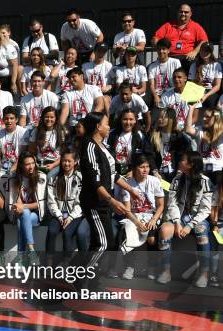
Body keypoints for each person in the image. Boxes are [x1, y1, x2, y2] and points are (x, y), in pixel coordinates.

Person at [78, 112, 138, 268]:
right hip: (94, 202)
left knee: (104, 243)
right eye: (106, 123)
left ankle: (93, 284)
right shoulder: (89, 146)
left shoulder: (105, 147)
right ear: (98, 126)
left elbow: (113, 174)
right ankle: (76, 278)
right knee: (102, 245)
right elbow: (94, 181)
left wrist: (131, 190)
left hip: (104, 201)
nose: (109, 126)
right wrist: (112, 201)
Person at [157, 151, 213, 286]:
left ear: (191, 164)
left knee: (201, 231)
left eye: (183, 160)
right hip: (179, 218)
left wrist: (189, 225)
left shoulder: (205, 181)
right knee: (164, 230)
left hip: (197, 219)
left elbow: (205, 209)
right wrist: (177, 222)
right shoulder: (177, 179)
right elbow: (172, 203)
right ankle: (166, 271)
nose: (180, 162)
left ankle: (204, 274)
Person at [118, 153, 165, 280]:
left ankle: (151, 267)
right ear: (134, 168)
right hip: (133, 216)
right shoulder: (128, 183)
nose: (145, 170)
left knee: (152, 239)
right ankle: (129, 267)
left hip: (152, 215)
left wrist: (154, 219)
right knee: (128, 233)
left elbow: (161, 205)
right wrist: (137, 223)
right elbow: (127, 210)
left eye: (147, 167)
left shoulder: (154, 181)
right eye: (142, 167)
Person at [46, 147, 89, 260]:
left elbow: (80, 203)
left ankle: (66, 263)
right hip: (58, 214)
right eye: (64, 160)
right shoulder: (53, 178)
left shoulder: (80, 178)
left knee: (67, 233)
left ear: (75, 162)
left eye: (69, 161)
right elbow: (51, 201)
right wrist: (59, 216)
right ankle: (49, 263)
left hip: (75, 215)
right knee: (51, 231)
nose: (66, 163)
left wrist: (70, 217)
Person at [9, 151, 47, 266]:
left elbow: (39, 204)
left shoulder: (41, 177)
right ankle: (31, 250)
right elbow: (15, 203)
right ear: (21, 166)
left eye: (32, 163)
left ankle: (21, 256)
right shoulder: (15, 179)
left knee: (24, 217)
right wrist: (19, 205)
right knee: (24, 214)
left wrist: (23, 206)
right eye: (27, 164)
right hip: (22, 214)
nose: (31, 166)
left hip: (36, 215)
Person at [152, 3, 208, 70]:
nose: (183, 14)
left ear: (190, 14)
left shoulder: (196, 26)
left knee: (195, 67)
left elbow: (204, 41)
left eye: (186, 12)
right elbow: (155, 38)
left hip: (187, 58)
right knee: (150, 67)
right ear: (177, 13)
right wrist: (161, 51)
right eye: (181, 11)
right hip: (170, 57)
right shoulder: (168, 25)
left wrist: (195, 52)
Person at [108, 109, 152, 177]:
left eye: (131, 119)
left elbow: (145, 156)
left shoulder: (140, 135)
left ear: (135, 120)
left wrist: (133, 170)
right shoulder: (112, 134)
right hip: (114, 171)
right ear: (120, 120)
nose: (128, 122)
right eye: (125, 119)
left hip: (132, 172)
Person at [28, 106, 65, 179]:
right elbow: (31, 151)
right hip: (39, 163)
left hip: (55, 163)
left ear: (56, 118)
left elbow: (64, 154)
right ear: (42, 118)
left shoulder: (61, 132)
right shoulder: (36, 131)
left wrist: (53, 165)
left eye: (52, 117)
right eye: (46, 117)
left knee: (49, 177)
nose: (49, 119)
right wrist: (35, 164)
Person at [148, 39, 182, 108]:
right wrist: (155, 96)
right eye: (159, 49)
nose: (161, 51)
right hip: (158, 94)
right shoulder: (151, 66)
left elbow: (179, 78)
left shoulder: (175, 62)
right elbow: (151, 85)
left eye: (164, 49)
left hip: (172, 93)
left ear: (169, 50)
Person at [0, 106, 28, 175]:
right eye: (6, 118)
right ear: (3, 119)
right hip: (4, 165)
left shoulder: (24, 132)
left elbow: (22, 155)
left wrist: (12, 168)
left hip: (19, 164)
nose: (9, 121)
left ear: (16, 120)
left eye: (11, 118)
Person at [188, 43, 222, 109]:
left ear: (211, 53)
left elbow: (217, 86)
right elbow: (191, 83)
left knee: (211, 100)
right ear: (199, 51)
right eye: (203, 50)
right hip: (196, 91)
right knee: (190, 102)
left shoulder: (217, 65)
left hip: (210, 92)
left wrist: (206, 95)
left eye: (207, 51)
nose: (204, 52)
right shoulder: (194, 65)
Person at [82, 42, 114, 109]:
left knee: (105, 99)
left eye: (103, 51)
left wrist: (110, 86)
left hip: (104, 93)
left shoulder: (109, 66)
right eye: (99, 51)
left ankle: (108, 119)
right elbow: (83, 82)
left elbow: (115, 83)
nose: (101, 53)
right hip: (89, 93)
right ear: (94, 51)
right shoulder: (86, 66)